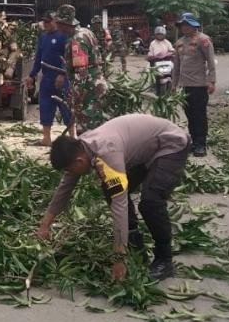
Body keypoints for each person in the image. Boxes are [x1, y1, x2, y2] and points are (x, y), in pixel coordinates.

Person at [35, 114, 190, 282]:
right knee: (109, 187)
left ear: (79, 161)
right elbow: (65, 188)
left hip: (171, 145)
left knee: (151, 202)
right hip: (147, 150)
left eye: (70, 170)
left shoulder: (107, 152)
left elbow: (119, 205)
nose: (70, 174)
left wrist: (119, 259)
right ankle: (134, 244)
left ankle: (164, 259)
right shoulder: (81, 147)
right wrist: (44, 226)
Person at [55, 4, 106, 133]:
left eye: (58, 23)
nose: (57, 26)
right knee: (96, 127)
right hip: (96, 85)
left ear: (64, 23)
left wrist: (75, 98)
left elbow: (81, 72)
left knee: (86, 132)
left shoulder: (77, 40)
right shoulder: (86, 32)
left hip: (88, 90)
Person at [171, 12, 216, 157]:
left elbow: (211, 62)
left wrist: (211, 81)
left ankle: (201, 144)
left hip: (199, 85)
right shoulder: (179, 43)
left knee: (199, 115)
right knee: (189, 114)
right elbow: (176, 66)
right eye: (182, 25)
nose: (184, 28)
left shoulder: (203, 40)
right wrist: (174, 84)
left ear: (193, 25)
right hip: (185, 86)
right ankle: (194, 142)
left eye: (187, 25)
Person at [26, 12, 73, 147]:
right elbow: (39, 57)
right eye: (44, 22)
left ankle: (72, 138)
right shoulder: (43, 37)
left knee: (66, 108)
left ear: (55, 21)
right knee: (45, 107)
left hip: (61, 78)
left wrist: (63, 73)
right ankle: (46, 138)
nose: (46, 24)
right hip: (47, 78)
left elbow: (68, 57)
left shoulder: (64, 36)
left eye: (49, 22)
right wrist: (32, 75)